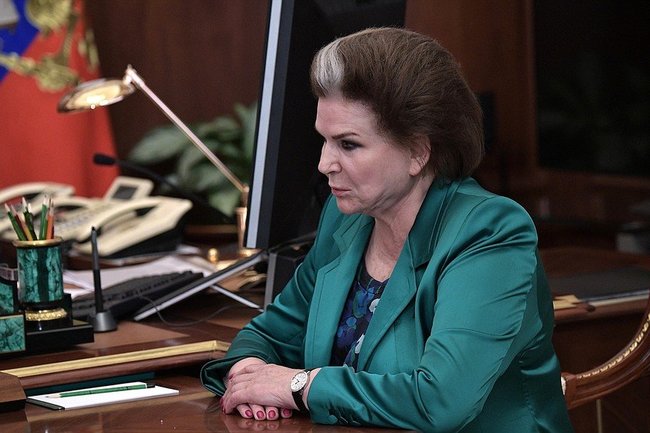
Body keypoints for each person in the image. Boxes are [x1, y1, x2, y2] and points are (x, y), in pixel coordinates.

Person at [201, 27, 574, 433]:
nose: (325, 164)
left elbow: (440, 401)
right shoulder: (346, 218)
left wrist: (297, 386)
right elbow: (270, 334)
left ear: (418, 151)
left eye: (348, 144)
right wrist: (250, 376)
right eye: (324, 141)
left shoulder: (489, 233)